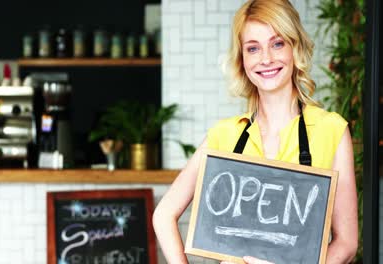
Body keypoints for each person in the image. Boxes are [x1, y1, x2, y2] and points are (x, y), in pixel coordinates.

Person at [152, 0, 358, 263]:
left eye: (277, 43)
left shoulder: (332, 130)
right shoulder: (224, 135)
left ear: (295, 48)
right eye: (253, 48)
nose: (266, 58)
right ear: (242, 59)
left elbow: (347, 242)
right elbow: (163, 214)